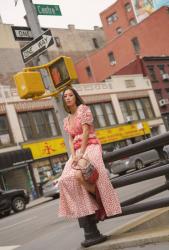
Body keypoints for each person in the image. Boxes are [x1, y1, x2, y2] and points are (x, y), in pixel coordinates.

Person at [58, 87, 122, 220]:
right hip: (77, 151)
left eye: (70, 95)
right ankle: (91, 203)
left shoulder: (83, 109)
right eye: (65, 96)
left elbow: (86, 132)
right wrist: (74, 155)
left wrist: (81, 153)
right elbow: (70, 139)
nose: (68, 98)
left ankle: (101, 200)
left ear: (75, 97)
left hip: (90, 145)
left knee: (79, 174)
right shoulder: (67, 119)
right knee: (65, 179)